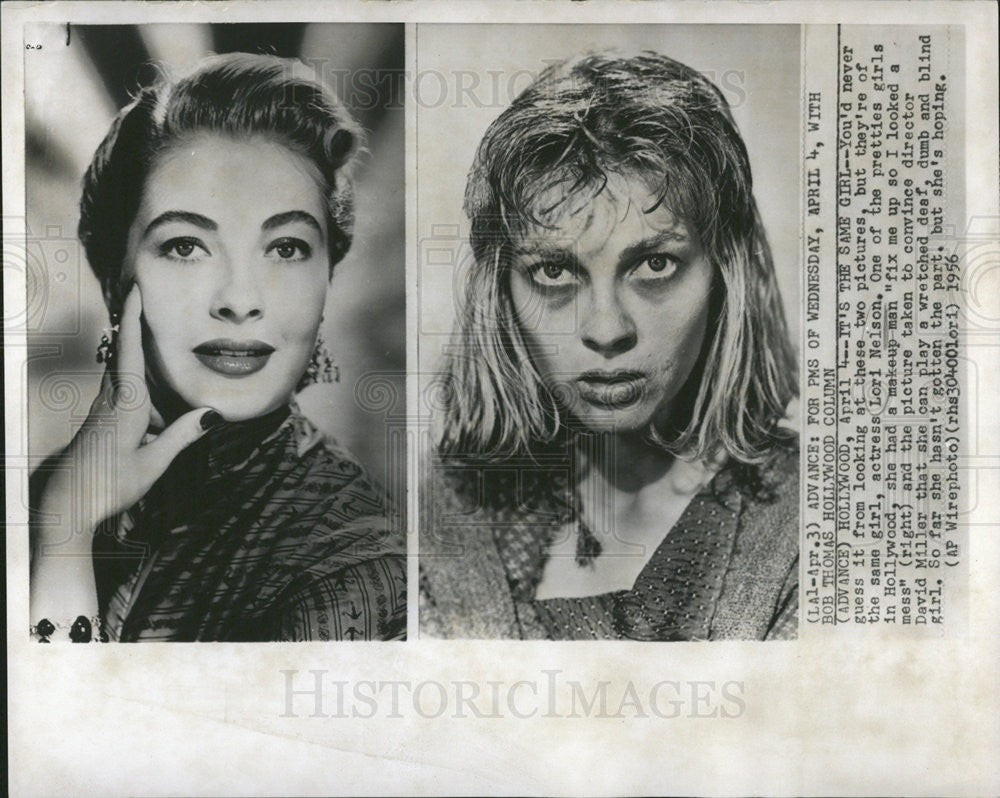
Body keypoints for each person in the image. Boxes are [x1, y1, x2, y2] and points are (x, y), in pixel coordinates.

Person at [420, 51, 799, 641]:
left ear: (726, 274)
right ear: (501, 289)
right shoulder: (449, 512)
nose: (605, 328)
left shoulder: (820, 526)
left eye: (654, 264)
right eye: (554, 272)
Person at [29, 53, 406, 642]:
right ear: (114, 275)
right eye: (184, 246)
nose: (239, 299)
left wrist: (66, 535)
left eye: (286, 248)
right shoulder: (44, 494)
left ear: (327, 280)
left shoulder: (349, 570)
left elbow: (71, 732)